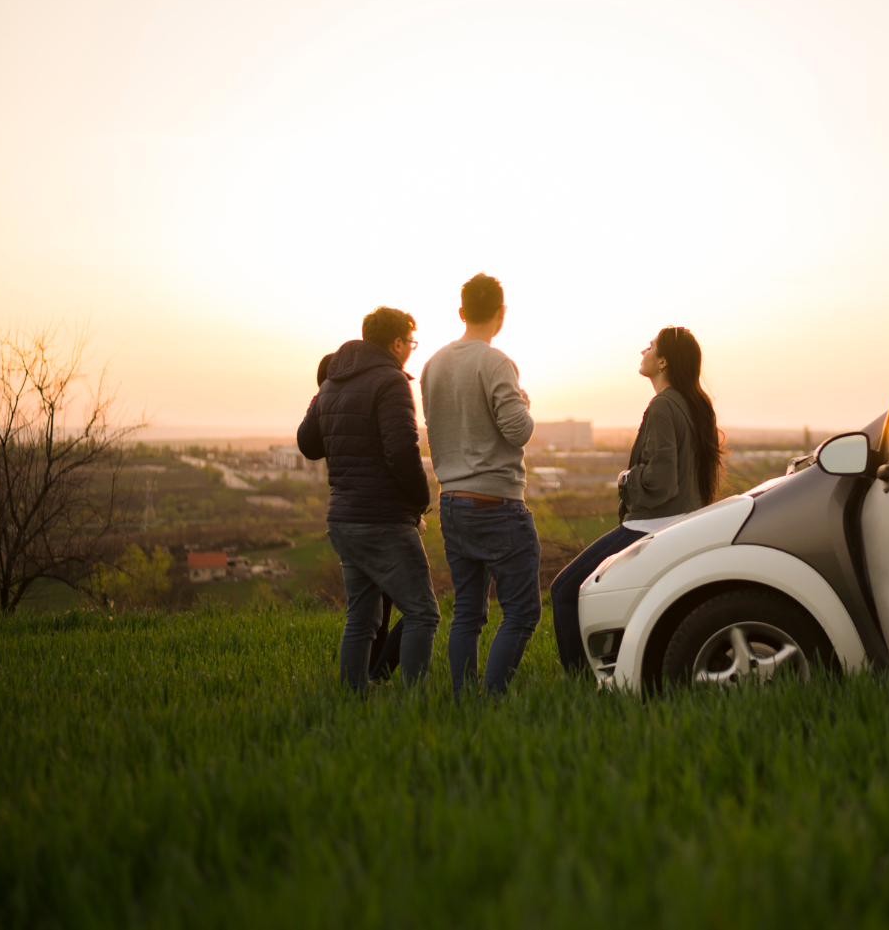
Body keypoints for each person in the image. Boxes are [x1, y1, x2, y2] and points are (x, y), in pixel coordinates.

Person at [550, 326, 724, 674]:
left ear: (662, 361)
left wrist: (625, 479)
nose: (642, 352)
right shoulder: (693, 404)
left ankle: (583, 686)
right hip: (682, 524)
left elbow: (661, 479)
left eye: (650, 347)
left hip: (650, 525)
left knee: (565, 591)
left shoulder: (662, 406)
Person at [298, 307, 440, 690]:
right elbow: (402, 451)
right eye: (410, 342)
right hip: (382, 519)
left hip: (343, 519)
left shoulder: (332, 382)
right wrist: (419, 503)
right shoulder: (391, 382)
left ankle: (352, 699)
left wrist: (323, 397)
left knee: (361, 617)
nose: (410, 350)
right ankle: (415, 706)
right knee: (423, 612)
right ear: (396, 342)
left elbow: (307, 444)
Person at [420, 273, 540, 701]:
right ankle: (490, 700)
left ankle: (461, 700)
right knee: (523, 611)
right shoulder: (495, 362)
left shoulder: (432, 364)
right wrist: (524, 402)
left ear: (461, 312)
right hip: (496, 503)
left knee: (467, 612)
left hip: (451, 500)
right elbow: (518, 431)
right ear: (501, 314)